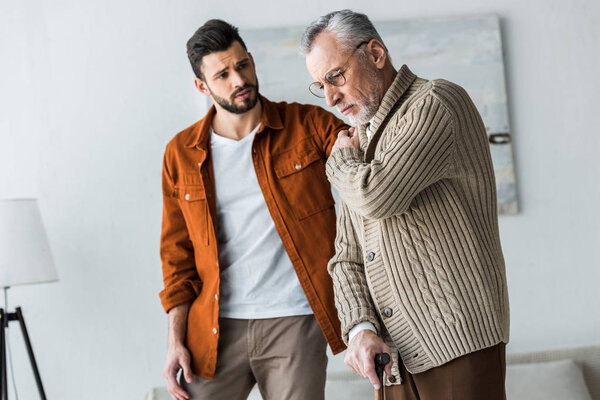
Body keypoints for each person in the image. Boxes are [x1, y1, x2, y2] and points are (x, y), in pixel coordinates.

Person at [301, 10, 510, 400]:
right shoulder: (358, 142)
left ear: (376, 53)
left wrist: (341, 162)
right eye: (320, 85)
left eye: (335, 76)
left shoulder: (436, 103)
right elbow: (346, 256)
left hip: (458, 345)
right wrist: (359, 327)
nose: (330, 96)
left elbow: (377, 195)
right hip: (390, 359)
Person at [159, 19, 347, 400]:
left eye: (242, 65)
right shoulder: (181, 153)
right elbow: (176, 258)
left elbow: (370, 160)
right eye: (223, 74)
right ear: (202, 86)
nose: (238, 80)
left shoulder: (309, 126)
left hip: (294, 320)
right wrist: (174, 341)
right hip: (214, 328)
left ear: (253, 61)